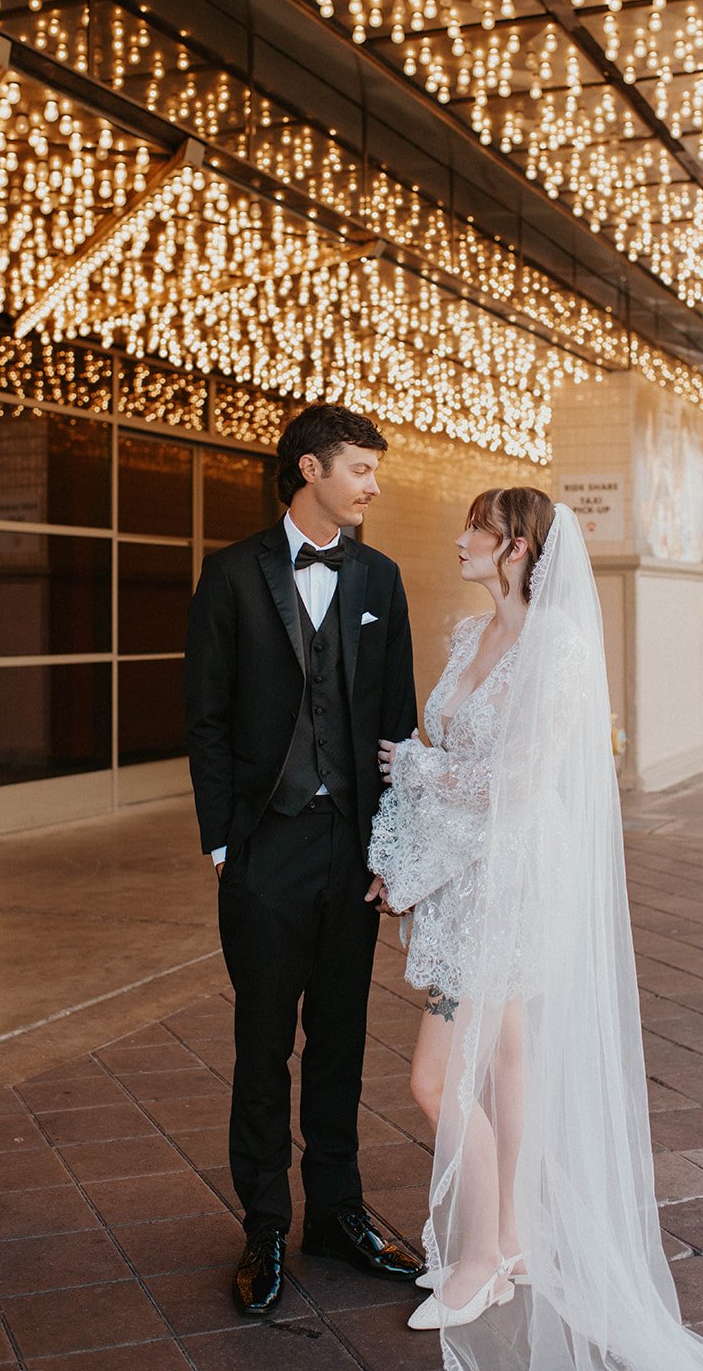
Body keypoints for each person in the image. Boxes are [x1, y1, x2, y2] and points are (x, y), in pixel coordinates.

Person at [368, 489, 703, 1371]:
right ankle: (516, 1237)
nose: (460, 541)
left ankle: (480, 1260)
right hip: (461, 872)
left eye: (476, 530)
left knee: (434, 1078)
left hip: (512, 879)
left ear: (515, 546)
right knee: (511, 1053)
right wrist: (409, 846)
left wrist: (415, 766)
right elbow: (447, 745)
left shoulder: (556, 650)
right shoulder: (464, 636)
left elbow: (514, 782)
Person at [184, 403, 424, 1317]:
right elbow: (204, 718)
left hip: (350, 852)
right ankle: (262, 1227)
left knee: (340, 1041)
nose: (372, 485)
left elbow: (397, 724)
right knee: (260, 1046)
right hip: (263, 850)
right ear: (310, 471)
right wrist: (221, 844)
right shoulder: (232, 575)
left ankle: (337, 1213)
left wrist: (391, 849)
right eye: (360, 468)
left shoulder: (381, 578)